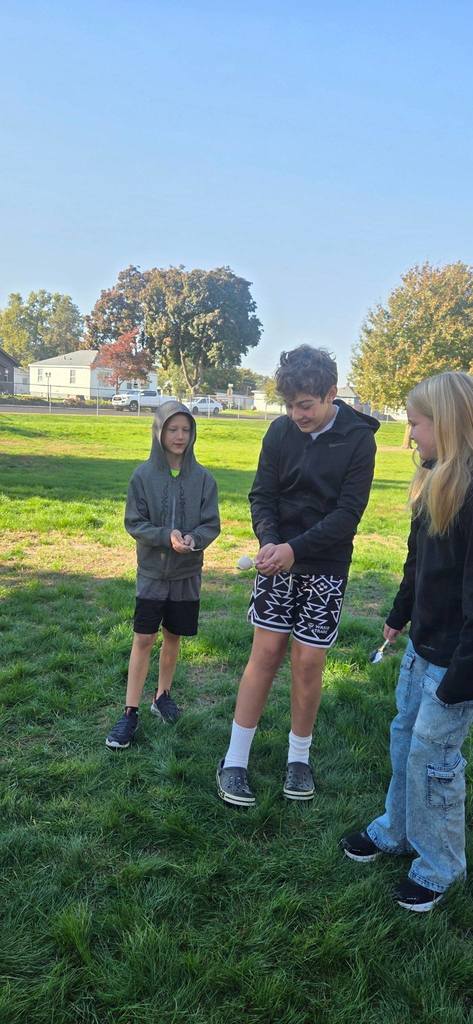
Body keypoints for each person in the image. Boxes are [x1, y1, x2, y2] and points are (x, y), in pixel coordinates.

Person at [216, 345, 379, 805]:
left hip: (325, 563)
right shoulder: (279, 432)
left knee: (308, 662)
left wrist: (296, 549)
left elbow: (348, 515)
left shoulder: (358, 438)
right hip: (277, 556)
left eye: (304, 405)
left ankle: (299, 758)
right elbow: (261, 495)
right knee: (265, 653)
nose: (296, 414)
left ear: (331, 394)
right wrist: (270, 541)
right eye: (289, 406)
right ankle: (234, 761)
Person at [341, 371, 473, 912]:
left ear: (444, 423)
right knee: (404, 741)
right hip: (422, 648)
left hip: (457, 663)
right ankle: (395, 830)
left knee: (434, 759)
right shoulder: (432, 480)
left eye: (415, 423)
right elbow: (417, 566)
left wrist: (460, 681)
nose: (409, 434)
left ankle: (440, 865)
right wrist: (399, 617)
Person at [106, 400, 220, 749]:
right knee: (144, 639)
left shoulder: (204, 479)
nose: (180, 436)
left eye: (186, 430)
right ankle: (129, 712)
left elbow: (210, 524)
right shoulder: (143, 476)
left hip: (187, 575)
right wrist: (164, 536)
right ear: (159, 431)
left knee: (173, 636)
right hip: (153, 573)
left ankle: (162, 696)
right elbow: (134, 522)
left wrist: (193, 539)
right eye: (173, 429)